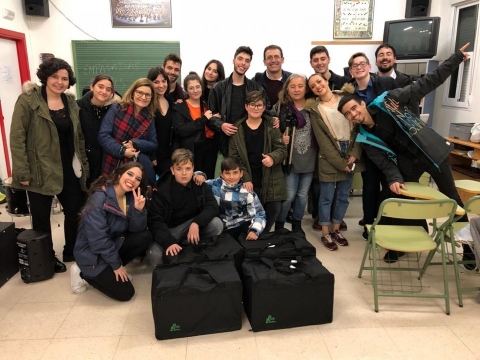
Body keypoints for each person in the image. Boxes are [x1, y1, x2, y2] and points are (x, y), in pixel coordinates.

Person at [338, 43, 471, 262]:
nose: (353, 114)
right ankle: (401, 244)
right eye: (348, 114)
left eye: (354, 108)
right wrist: (394, 178)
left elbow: (426, 84)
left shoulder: (387, 100)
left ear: (362, 103)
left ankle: (468, 248)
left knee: (452, 199)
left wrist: (454, 59)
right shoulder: (364, 137)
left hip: (431, 152)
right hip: (408, 161)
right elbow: (384, 162)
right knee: (394, 194)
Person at [10, 58, 89, 270]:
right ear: (45, 76)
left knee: (75, 213)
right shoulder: (28, 101)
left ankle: (72, 251)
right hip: (40, 170)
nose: (59, 82)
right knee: (41, 218)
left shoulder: (71, 103)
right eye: (55, 77)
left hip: (69, 169)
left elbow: (79, 137)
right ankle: (46, 257)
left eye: (64, 78)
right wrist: (22, 172)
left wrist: (85, 167)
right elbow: (17, 138)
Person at [71, 162, 152, 301]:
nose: (133, 180)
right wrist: (116, 265)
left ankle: (111, 268)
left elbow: (135, 229)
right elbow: (98, 239)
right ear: (119, 174)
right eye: (130, 174)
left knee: (145, 236)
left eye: (138, 179)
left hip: (111, 245)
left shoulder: (128, 197)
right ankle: (81, 273)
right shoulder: (99, 197)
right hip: (91, 253)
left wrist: (138, 210)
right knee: (126, 293)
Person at [307, 74, 364, 251]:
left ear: (326, 82)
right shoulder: (315, 109)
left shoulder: (345, 99)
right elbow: (323, 142)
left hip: (350, 150)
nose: (317, 86)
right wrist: (341, 163)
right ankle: (325, 232)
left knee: (342, 196)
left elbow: (359, 127)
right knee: (326, 197)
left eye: (319, 81)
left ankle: (336, 229)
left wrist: (354, 151)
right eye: (313, 85)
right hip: (329, 156)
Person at [348, 51, 398, 239]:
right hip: (367, 145)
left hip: (388, 144)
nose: (359, 68)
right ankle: (369, 223)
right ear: (351, 72)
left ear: (370, 66)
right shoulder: (350, 93)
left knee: (388, 185)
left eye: (362, 64)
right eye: (355, 66)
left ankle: (386, 223)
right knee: (369, 187)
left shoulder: (385, 84)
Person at [147, 149, 223, 264]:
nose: (184, 173)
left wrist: (196, 223)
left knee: (217, 224)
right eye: (179, 169)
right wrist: (169, 242)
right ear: (172, 170)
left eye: (188, 169)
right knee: (155, 254)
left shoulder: (199, 184)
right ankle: (180, 246)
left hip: (192, 225)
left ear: (193, 169)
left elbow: (212, 206)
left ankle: (190, 245)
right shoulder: (161, 190)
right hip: (171, 229)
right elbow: (155, 220)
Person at [229, 91, 287, 232]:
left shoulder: (272, 126)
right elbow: (234, 158)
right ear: (246, 106)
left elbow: (282, 149)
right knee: (250, 216)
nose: (256, 108)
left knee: (273, 212)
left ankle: (264, 238)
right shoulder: (237, 129)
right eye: (252, 105)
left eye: (259, 105)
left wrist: (273, 157)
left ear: (263, 107)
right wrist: (246, 178)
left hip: (271, 177)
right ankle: (253, 240)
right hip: (249, 180)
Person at [308, 45, 350, 231]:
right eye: (315, 60)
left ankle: (336, 222)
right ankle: (322, 221)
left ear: (328, 59)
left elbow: (354, 124)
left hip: (347, 146)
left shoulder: (344, 89)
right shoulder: (313, 103)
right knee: (322, 190)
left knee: (342, 192)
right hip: (323, 148)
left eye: (322, 59)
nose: (319, 63)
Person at [273, 74, 316, 232]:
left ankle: (297, 222)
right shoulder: (280, 107)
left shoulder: (314, 107)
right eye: (292, 86)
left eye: (300, 86)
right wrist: (280, 138)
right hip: (290, 159)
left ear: (306, 88)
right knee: (289, 194)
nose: (296, 89)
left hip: (310, 159)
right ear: (287, 89)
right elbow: (270, 128)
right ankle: (280, 221)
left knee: (302, 195)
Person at [98, 78, 158, 186]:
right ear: (133, 92)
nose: (143, 97)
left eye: (148, 95)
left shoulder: (150, 118)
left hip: (135, 170)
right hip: (112, 162)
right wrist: (123, 151)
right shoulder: (116, 108)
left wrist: (135, 143)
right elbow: (103, 135)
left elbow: (153, 144)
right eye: (140, 92)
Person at [208, 46, 266, 156]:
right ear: (233, 60)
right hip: (225, 143)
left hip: (250, 142)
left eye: (247, 60)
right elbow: (209, 116)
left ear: (249, 65)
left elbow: (265, 109)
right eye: (240, 58)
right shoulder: (218, 88)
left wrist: (274, 117)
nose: (243, 63)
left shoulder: (256, 87)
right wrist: (221, 125)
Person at [195, 157, 266, 240]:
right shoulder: (213, 185)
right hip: (220, 228)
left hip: (240, 225)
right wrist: (199, 174)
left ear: (241, 173)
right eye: (227, 173)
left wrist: (255, 230)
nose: (232, 177)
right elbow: (196, 177)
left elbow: (260, 214)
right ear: (221, 174)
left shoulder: (247, 192)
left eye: (235, 173)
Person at [77, 74, 121, 187]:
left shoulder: (114, 110)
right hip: (84, 163)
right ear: (92, 87)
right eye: (100, 87)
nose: (104, 91)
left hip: (106, 162)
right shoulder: (77, 107)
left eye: (108, 89)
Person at [173, 72, 218, 179]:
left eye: (198, 87)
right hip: (192, 152)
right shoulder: (180, 107)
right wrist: (203, 119)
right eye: (191, 88)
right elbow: (181, 131)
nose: (195, 90)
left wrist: (215, 119)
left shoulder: (207, 104)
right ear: (186, 90)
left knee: (208, 182)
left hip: (210, 150)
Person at [147, 66, 177, 176]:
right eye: (156, 82)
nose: (161, 85)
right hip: (150, 156)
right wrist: (152, 155)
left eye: (164, 81)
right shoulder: (146, 104)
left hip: (168, 157)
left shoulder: (172, 103)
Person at [375, 43, 419, 115]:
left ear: (395, 59)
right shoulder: (370, 83)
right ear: (376, 61)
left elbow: (414, 114)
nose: (385, 57)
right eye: (381, 55)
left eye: (388, 54)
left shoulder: (407, 83)